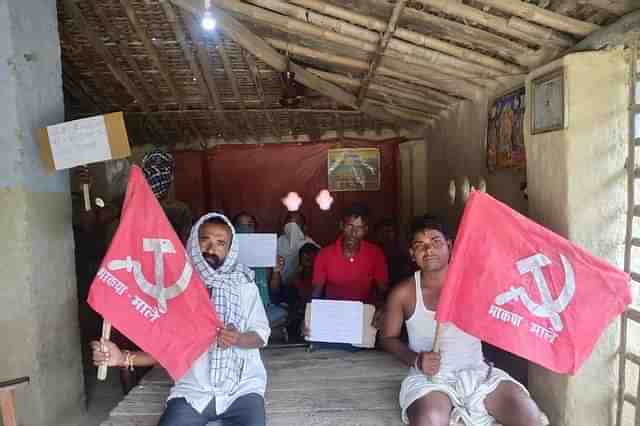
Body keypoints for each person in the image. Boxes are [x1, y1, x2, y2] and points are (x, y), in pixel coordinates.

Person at [91, 213, 270, 426]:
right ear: (194, 241)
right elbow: (166, 346)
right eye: (205, 240)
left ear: (230, 249)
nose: (212, 249)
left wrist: (238, 338)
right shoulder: (176, 289)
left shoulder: (244, 285)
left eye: (221, 243)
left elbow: (261, 335)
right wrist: (122, 358)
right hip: (193, 391)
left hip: (242, 390)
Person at [381, 216, 541, 426]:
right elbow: (387, 338)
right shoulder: (404, 293)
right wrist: (416, 360)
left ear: (450, 245)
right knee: (429, 419)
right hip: (431, 379)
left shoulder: (475, 285)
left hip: (478, 372)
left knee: (528, 413)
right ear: (412, 254)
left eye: (436, 242)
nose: (428, 250)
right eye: (420, 245)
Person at [312, 202, 388, 306]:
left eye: (359, 227)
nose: (353, 232)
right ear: (341, 226)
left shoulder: (375, 253)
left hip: (365, 311)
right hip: (334, 312)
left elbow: (383, 291)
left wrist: (381, 310)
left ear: (366, 230)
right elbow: (316, 293)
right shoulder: (324, 255)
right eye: (350, 226)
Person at [232, 211, 288, 327]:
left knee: (282, 314)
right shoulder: (226, 254)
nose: (245, 229)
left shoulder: (264, 253)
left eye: (249, 225)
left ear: (255, 229)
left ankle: (252, 328)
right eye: (240, 225)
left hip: (262, 307)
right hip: (235, 309)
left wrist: (276, 271)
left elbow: (274, 289)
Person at [277, 211, 318, 287]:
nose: (292, 228)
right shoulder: (278, 241)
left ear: (304, 227)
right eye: (289, 223)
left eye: (296, 224)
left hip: (298, 287)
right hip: (278, 284)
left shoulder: (309, 245)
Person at [288, 242, 320, 339]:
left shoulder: (322, 277)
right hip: (299, 314)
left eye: (311, 255)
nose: (308, 258)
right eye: (305, 255)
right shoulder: (296, 277)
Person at [374, 218, 413, 287]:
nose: (386, 235)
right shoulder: (373, 251)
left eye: (389, 231)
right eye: (383, 232)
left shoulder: (401, 251)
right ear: (377, 233)